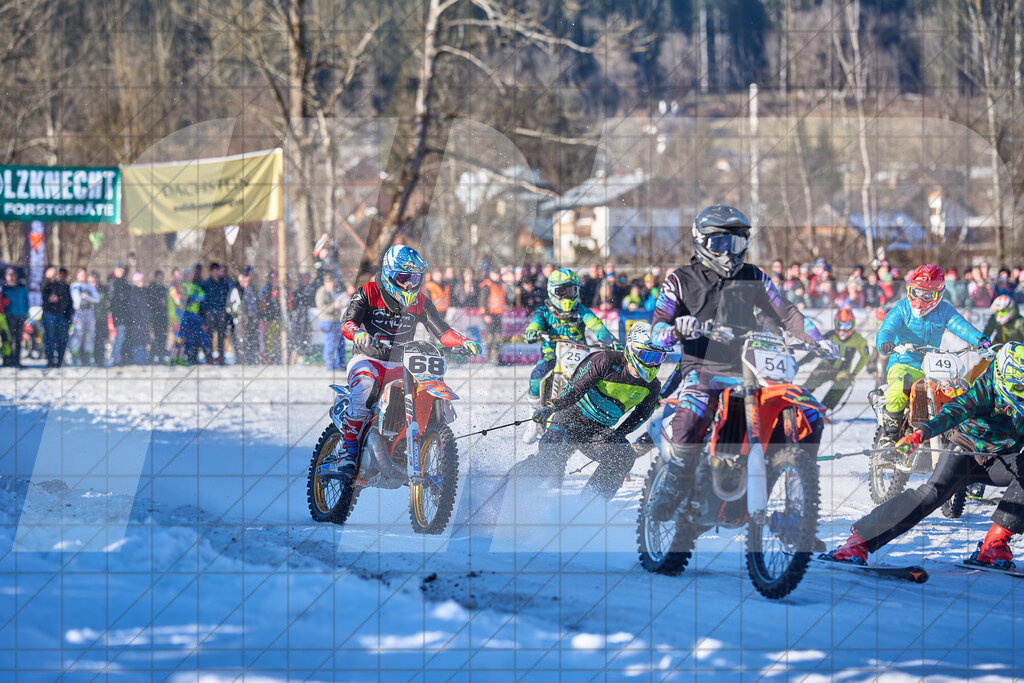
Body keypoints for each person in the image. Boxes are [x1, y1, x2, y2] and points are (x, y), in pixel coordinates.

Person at [646, 205, 837, 520]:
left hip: (752, 369)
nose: (728, 252)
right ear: (701, 241)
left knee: (808, 412)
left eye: (736, 243)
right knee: (693, 414)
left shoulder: (754, 276)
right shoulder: (680, 280)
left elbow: (787, 313)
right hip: (703, 369)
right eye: (720, 243)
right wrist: (677, 329)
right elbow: (657, 329)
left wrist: (817, 339)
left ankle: (797, 494)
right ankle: (674, 484)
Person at [828, 343, 1024, 568]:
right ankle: (858, 542)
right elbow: (953, 411)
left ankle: (994, 544)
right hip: (965, 453)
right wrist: (920, 434)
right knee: (932, 494)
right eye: (1020, 386)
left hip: (1002, 461)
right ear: (1003, 376)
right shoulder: (983, 392)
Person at [336, 245, 481, 478]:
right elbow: (347, 322)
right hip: (368, 359)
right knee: (364, 389)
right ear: (389, 273)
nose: (409, 285)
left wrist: (462, 341)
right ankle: (348, 454)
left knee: (423, 391)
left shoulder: (421, 301)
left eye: (415, 279)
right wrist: (358, 333)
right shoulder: (368, 292)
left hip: (402, 363)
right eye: (404, 278)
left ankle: (413, 442)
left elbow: (442, 331)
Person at [521, 321, 669, 499]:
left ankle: (590, 505)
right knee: (550, 459)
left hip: (597, 432)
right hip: (569, 419)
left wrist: (618, 435)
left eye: (657, 358)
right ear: (632, 349)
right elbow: (574, 390)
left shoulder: (653, 386)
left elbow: (640, 416)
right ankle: (510, 488)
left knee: (624, 455)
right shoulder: (605, 360)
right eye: (646, 356)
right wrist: (551, 407)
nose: (651, 364)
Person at [874, 264, 991, 448]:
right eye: (916, 292)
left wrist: (981, 341)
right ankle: (889, 438)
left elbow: (962, 327)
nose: (919, 299)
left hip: (931, 365)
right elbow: (887, 328)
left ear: (938, 294)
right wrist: (885, 343)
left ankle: (954, 436)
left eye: (926, 294)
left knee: (953, 392)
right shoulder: (902, 308)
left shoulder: (944, 310)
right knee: (899, 389)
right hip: (903, 362)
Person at [521, 268, 619, 443]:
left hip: (580, 355)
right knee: (537, 376)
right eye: (562, 291)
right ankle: (532, 417)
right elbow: (535, 324)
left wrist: (611, 340)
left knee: (594, 380)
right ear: (552, 291)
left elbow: (597, 326)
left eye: (571, 291)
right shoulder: (543, 311)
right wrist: (532, 332)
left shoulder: (581, 310)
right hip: (552, 355)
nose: (567, 296)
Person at [804, 308, 871, 411]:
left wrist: (854, 373)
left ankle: (824, 408)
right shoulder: (830, 335)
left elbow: (865, 356)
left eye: (846, 325)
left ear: (852, 325)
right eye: (840, 324)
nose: (843, 329)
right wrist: (799, 363)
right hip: (826, 367)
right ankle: (800, 403)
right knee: (811, 383)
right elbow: (814, 351)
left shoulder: (859, 339)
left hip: (842, 371)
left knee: (845, 380)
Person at [41, 267, 73, 368]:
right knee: (50, 338)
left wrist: (69, 315)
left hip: (63, 315)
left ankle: (60, 360)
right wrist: (48, 278)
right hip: (49, 314)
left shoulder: (65, 286)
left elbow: (69, 302)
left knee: (62, 339)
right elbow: (43, 292)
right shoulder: (47, 284)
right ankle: (50, 360)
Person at [201, 262, 231, 364]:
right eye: (213, 270)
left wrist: (224, 310)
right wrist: (206, 310)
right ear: (211, 271)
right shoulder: (205, 284)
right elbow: (202, 298)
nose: (215, 272)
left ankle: (221, 356)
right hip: (209, 313)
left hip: (221, 312)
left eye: (216, 270)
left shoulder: (224, 283)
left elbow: (227, 298)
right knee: (209, 335)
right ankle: (209, 356)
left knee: (221, 335)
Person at [69, 268, 100, 366]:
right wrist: (83, 296)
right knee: (78, 334)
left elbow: (97, 299)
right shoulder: (74, 286)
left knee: (90, 335)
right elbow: (76, 299)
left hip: (89, 312)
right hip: (78, 312)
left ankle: (89, 357)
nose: (83, 276)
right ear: (77, 275)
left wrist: (86, 297)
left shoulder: (89, 286)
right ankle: (74, 356)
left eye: (84, 274)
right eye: (81, 274)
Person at [316, 273, 345, 371]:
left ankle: (339, 364)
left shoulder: (332, 292)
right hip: (327, 321)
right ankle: (329, 365)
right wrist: (334, 306)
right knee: (330, 344)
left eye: (333, 282)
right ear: (325, 283)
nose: (333, 284)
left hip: (336, 320)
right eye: (331, 282)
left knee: (340, 343)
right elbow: (322, 308)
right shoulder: (321, 293)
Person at [478, 269, 506, 363]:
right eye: (495, 273)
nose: (497, 275)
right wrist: (485, 314)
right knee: (490, 337)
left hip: (498, 315)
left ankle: (495, 358)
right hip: (490, 315)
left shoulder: (500, 284)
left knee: (498, 337)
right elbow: (482, 301)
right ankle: (489, 357)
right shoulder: (487, 285)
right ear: (491, 274)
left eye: (498, 274)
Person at [2, 268, 29, 367]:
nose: (11, 277)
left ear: (16, 276)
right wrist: (6, 313)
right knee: (7, 339)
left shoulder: (21, 287)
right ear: (6, 276)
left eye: (13, 275)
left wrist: (25, 312)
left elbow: (26, 301)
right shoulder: (3, 288)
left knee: (18, 339)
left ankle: (17, 361)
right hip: (8, 317)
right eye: (9, 275)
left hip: (20, 316)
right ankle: (7, 360)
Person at [290, 272, 316, 364]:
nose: (307, 280)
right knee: (298, 338)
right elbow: (295, 304)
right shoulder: (299, 290)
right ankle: (296, 358)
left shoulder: (312, 289)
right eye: (305, 278)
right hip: (299, 320)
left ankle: (303, 356)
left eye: (308, 278)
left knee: (306, 337)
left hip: (308, 318)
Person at [127, 272, 151, 364]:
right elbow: (132, 306)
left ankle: (145, 359)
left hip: (145, 319)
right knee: (137, 340)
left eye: (142, 280)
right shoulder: (133, 292)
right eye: (139, 281)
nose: (141, 282)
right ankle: (137, 359)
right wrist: (136, 317)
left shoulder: (145, 291)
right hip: (136, 320)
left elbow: (147, 305)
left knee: (146, 339)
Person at [108, 263, 130, 366]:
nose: (122, 272)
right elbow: (112, 297)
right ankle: (115, 357)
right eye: (119, 270)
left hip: (122, 313)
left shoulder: (122, 282)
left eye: (122, 270)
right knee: (118, 336)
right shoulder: (113, 281)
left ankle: (118, 357)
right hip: (116, 313)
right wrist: (121, 297)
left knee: (121, 336)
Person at [148, 270, 169, 363]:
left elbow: (167, 301)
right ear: (155, 277)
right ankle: (152, 356)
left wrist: (165, 303)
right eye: (159, 277)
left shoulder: (164, 288)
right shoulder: (151, 288)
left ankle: (161, 356)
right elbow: (150, 302)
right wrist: (158, 302)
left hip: (163, 316)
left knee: (163, 337)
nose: (160, 279)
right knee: (155, 337)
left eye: (161, 277)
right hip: (154, 316)